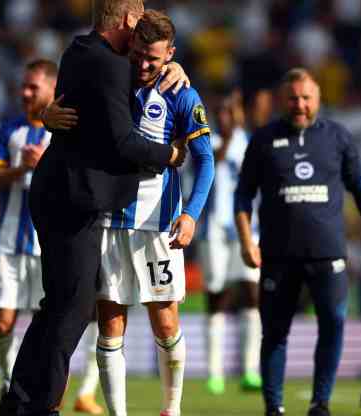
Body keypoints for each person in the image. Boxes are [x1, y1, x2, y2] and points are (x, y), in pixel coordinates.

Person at [0, 1, 190, 415]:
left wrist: (175, 67)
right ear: (127, 20)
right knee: (70, 311)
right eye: (139, 21)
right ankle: (36, 405)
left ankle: (21, 402)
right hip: (73, 198)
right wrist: (171, 155)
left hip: (62, 193)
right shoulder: (110, 65)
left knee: (63, 307)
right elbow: (123, 144)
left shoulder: (79, 49)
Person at [52, 11, 214, 416]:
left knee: (166, 322)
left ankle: (171, 410)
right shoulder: (113, 80)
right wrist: (44, 116)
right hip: (109, 220)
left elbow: (205, 161)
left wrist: (192, 214)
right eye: (138, 54)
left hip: (159, 226)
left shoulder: (181, 93)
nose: (143, 65)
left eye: (154, 59)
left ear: (170, 55)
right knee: (110, 326)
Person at [235, 68, 361, 416]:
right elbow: (243, 195)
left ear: (318, 99)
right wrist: (247, 240)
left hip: (328, 253)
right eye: (293, 99)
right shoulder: (263, 139)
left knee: (333, 323)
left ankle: (321, 403)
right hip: (277, 254)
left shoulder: (337, 137)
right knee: (274, 332)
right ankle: (273, 406)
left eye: (306, 98)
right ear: (282, 100)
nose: (300, 105)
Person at [0, 59, 104, 415]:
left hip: (51, 246)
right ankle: (11, 381)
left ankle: (67, 395)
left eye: (33, 87)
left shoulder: (67, 130)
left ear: (52, 89)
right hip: (11, 242)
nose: (25, 93)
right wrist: (22, 168)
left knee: (57, 327)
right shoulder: (10, 130)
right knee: (2, 323)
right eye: (23, 86)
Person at [199, 91, 262, 395]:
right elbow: (205, 171)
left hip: (247, 229)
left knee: (252, 292)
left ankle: (250, 369)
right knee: (218, 295)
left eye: (229, 112)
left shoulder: (247, 142)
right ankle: (215, 371)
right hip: (212, 230)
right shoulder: (206, 143)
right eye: (219, 112)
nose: (224, 117)